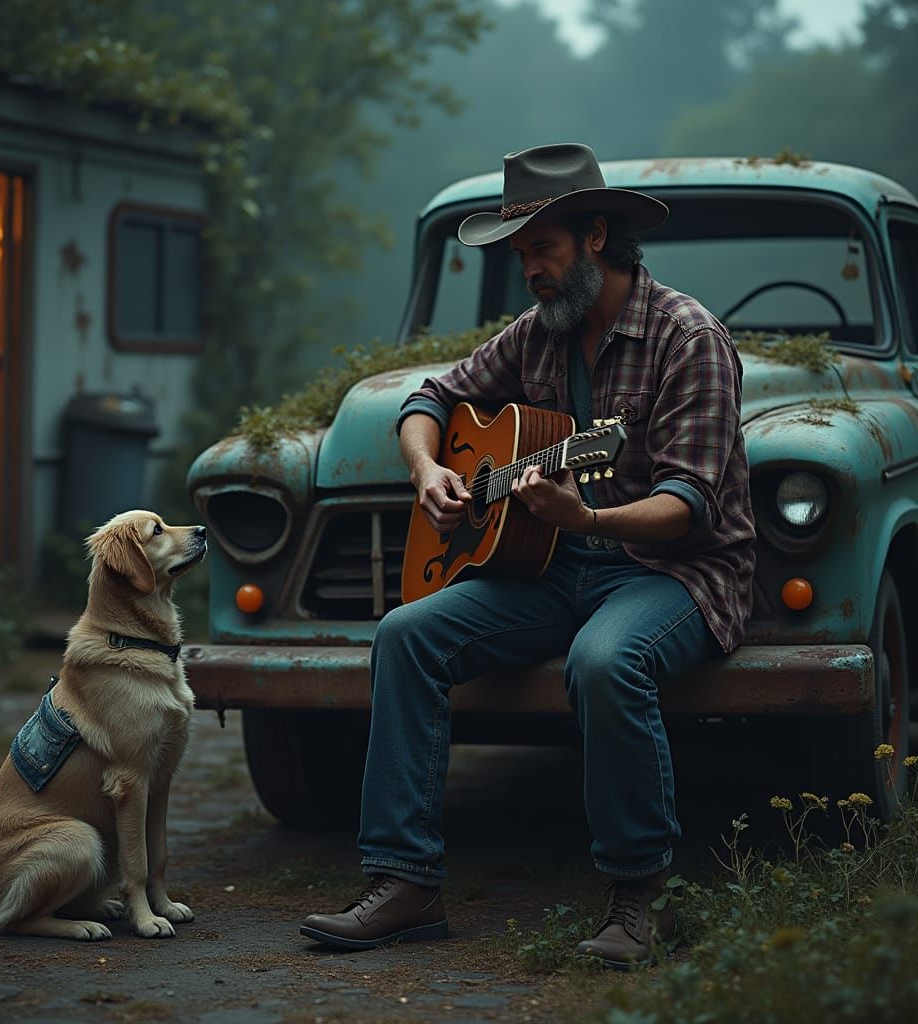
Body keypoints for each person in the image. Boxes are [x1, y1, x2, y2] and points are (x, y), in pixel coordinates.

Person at [300, 143, 756, 968]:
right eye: (520, 255)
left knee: (607, 660)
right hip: (555, 566)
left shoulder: (690, 339)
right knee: (406, 634)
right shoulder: (537, 334)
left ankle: (640, 895)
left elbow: (689, 508)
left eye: (541, 250)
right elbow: (430, 397)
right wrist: (429, 468)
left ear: (594, 238)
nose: (529, 272)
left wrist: (584, 518)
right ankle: (405, 883)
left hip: (673, 572)